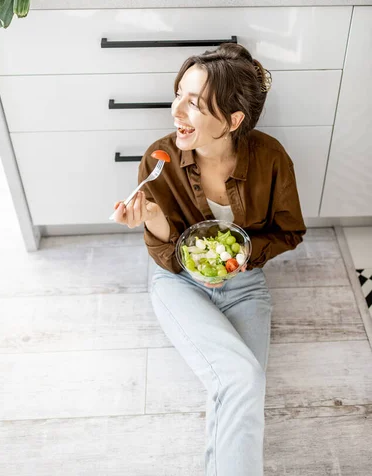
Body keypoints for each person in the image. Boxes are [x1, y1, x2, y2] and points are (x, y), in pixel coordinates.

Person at [113, 42, 306, 476]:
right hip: (179, 283)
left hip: (246, 285)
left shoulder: (271, 158)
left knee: (242, 382)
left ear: (233, 120)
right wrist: (155, 218)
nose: (176, 111)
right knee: (241, 378)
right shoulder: (158, 159)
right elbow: (167, 254)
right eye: (178, 93)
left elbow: (290, 230)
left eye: (194, 103)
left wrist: (240, 258)